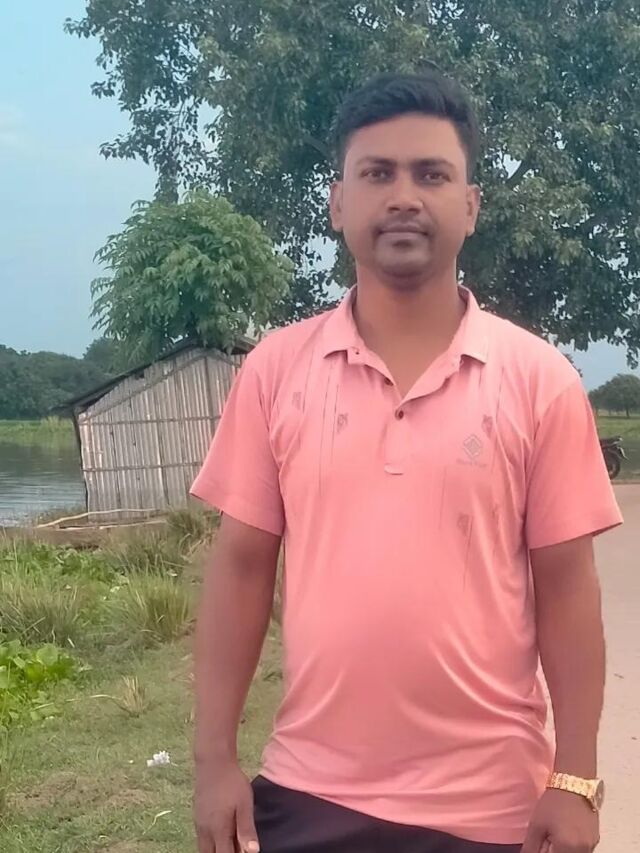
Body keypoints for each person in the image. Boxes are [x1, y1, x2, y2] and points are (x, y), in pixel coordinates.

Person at [191, 70, 622, 853]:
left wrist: (575, 778)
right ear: (337, 202)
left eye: (431, 174)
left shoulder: (538, 381)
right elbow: (242, 567)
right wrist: (214, 758)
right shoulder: (277, 371)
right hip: (308, 793)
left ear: (471, 205)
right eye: (377, 173)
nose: (403, 197)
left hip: (489, 810)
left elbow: (566, 589)